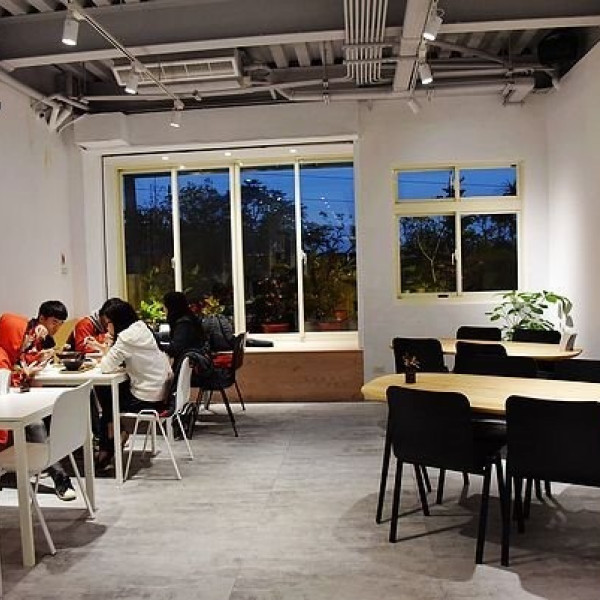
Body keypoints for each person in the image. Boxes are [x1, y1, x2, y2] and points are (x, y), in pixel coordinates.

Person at [0, 301, 77, 500]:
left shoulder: (11, 352)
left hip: (17, 402)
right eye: (23, 335)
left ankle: (58, 470)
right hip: (9, 409)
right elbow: (5, 385)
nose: (28, 338)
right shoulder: (2, 355)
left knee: (46, 416)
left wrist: (32, 364)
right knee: (37, 424)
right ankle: (60, 477)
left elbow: (19, 366)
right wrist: (25, 373)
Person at [92, 301, 172, 469]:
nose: (107, 327)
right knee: (109, 396)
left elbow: (106, 366)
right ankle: (113, 435)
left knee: (104, 391)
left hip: (146, 399)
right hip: (160, 392)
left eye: (108, 323)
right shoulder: (141, 328)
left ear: (116, 321)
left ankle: (109, 444)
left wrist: (110, 343)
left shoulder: (126, 337)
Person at [162, 292, 207, 364]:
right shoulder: (188, 319)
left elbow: (176, 348)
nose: (164, 309)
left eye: (165, 306)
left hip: (189, 364)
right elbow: (175, 335)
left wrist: (158, 346)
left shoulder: (184, 323)